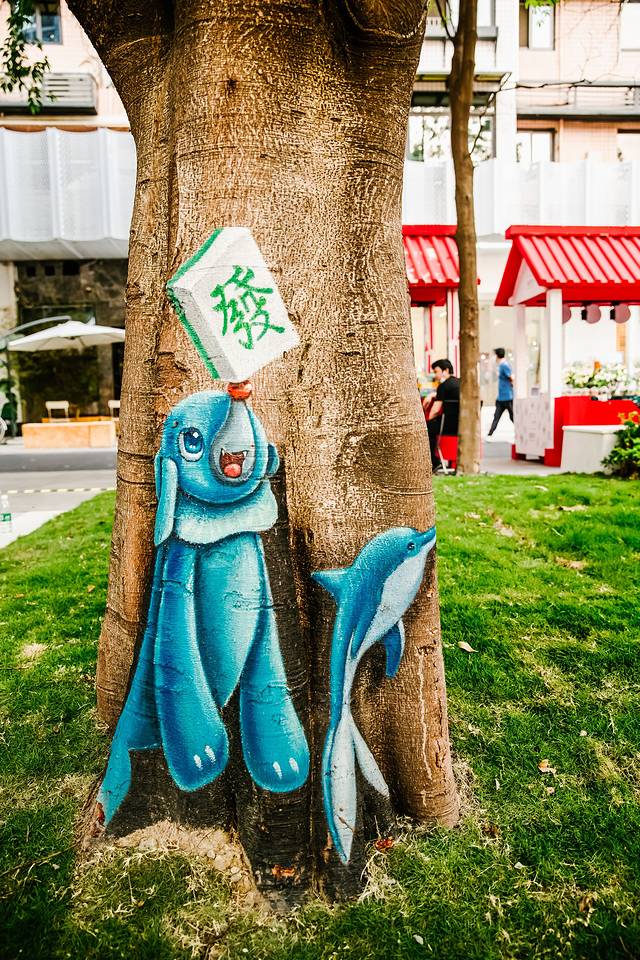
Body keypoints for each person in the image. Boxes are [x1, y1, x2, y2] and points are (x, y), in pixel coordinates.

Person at [425, 359, 459, 471]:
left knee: (427, 429)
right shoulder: (459, 383)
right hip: (460, 424)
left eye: (436, 372)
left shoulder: (443, 386)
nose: (435, 375)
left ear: (446, 370)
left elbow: (435, 411)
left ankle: (434, 462)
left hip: (447, 426)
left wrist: (428, 421)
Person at [488, 347, 513, 436]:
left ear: (497, 356)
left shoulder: (504, 365)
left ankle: (521, 430)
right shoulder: (502, 365)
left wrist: (512, 385)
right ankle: (490, 433)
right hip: (502, 397)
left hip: (507, 396)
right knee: (497, 416)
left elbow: (510, 377)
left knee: (512, 416)